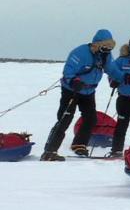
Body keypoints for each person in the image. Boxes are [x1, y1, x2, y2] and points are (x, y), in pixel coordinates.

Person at [40, 29, 123, 161]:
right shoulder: (80, 53)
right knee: (64, 119)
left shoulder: (105, 56)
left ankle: (79, 144)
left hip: (88, 92)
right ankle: (49, 151)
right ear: (97, 43)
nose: (108, 49)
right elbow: (68, 71)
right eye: (105, 45)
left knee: (91, 119)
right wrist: (74, 81)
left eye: (110, 46)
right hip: (71, 90)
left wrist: (125, 78)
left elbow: (112, 70)